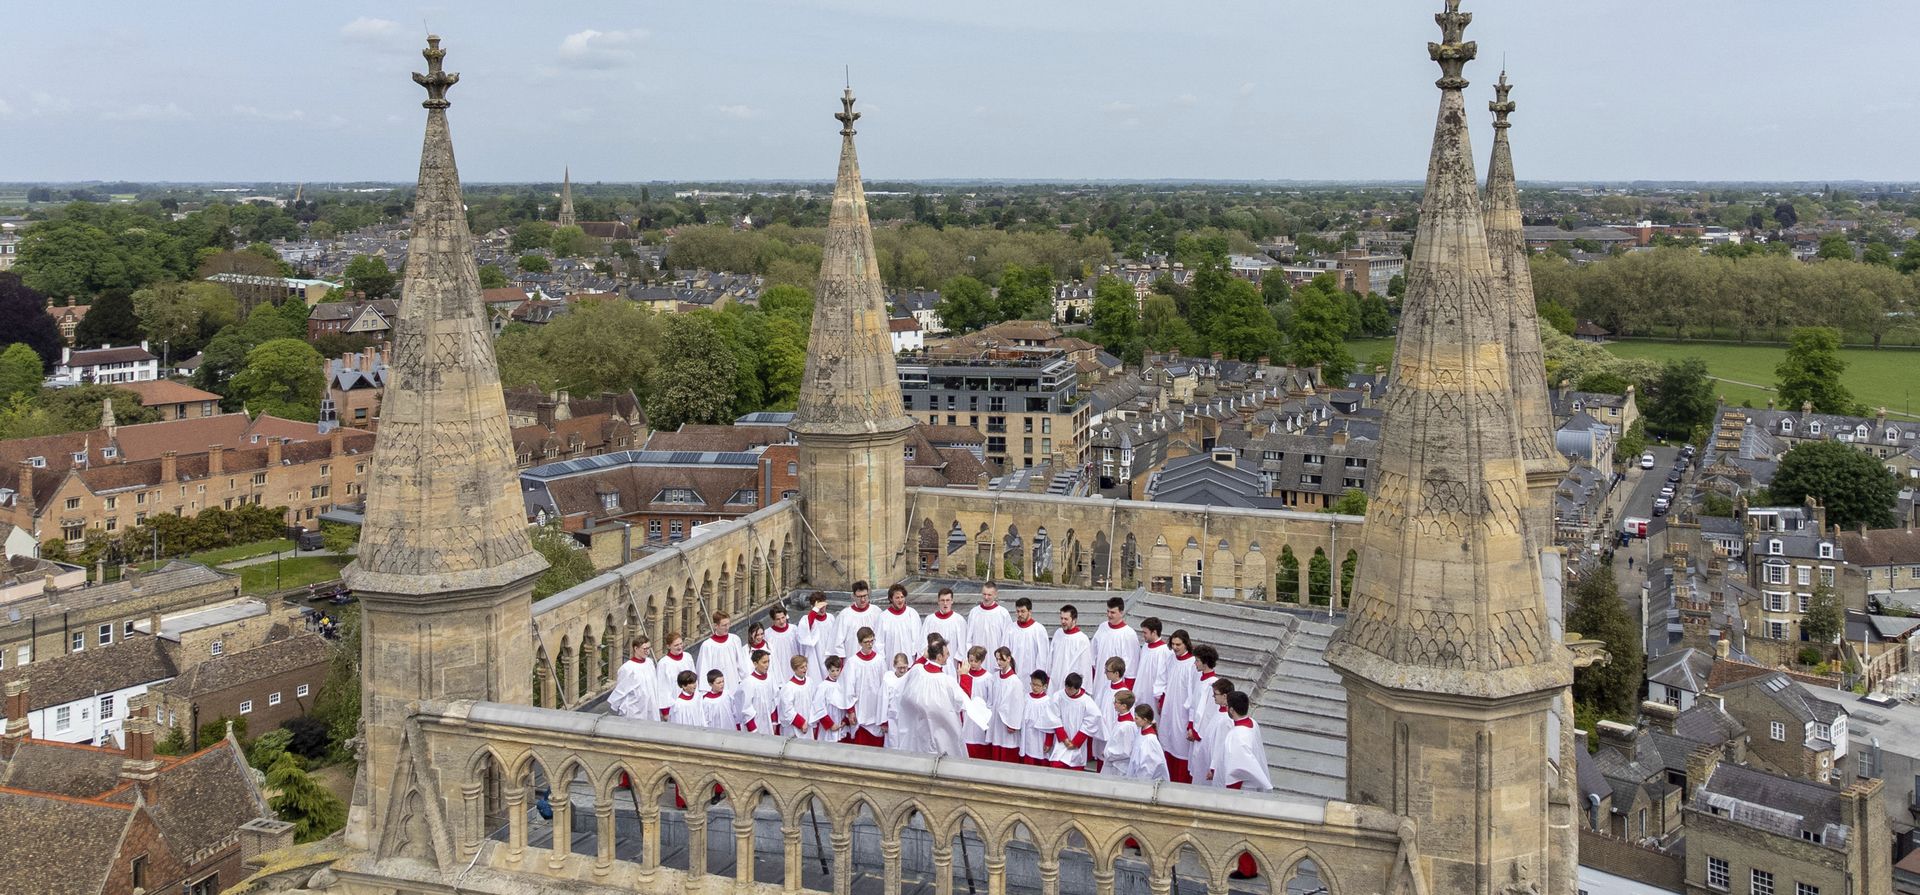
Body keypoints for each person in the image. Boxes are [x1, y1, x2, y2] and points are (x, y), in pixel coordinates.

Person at [1218, 691, 1271, 881]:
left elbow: (1239, 767)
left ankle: (1247, 868)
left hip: (1242, 789)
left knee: (1242, 830)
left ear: (1231, 710)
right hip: (1248, 787)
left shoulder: (1237, 735)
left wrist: (1230, 792)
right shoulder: (1252, 724)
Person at [900, 639, 970, 756]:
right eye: (946, 653)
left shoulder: (918, 671)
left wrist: (924, 656)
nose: (949, 656)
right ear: (939, 657)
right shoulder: (946, 681)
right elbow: (963, 701)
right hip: (941, 737)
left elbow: (915, 667)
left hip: (920, 733)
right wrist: (965, 676)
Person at [1158, 631, 1202, 783]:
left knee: (1181, 747)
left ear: (1186, 644)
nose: (1175, 648)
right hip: (1169, 709)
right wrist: (1162, 698)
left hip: (1182, 712)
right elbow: (1164, 680)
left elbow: (1193, 694)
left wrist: (1191, 721)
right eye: (1173, 644)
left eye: (1178, 644)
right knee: (1168, 742)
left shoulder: (1191, 665)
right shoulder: (1171, 659)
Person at [844, 627, 890, 747]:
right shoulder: (852, 662)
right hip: (861, 709)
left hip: (876, 709)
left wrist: (885, 712)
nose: (870, 644)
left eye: (871, 641)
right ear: (859, 643)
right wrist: (851, 711)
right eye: (866, 642)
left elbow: (885, 686)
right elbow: (849, 688)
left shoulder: (880, 660)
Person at [1090, 597, 1140, 694]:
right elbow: (1093, 655)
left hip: (1118, 688)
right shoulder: (1102, 627)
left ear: (1121, 612)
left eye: (1113, 612)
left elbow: (1132, 667)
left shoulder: (1129, 634)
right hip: (1099, 682)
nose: (1109, 615)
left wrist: (1127, 692)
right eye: (1108, 611)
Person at [1050, 672, 1100, 770]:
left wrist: (1077, 741)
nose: (1068, 690)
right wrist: (1064, 738)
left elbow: (1093, 719)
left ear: (1078, 688)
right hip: (1062, 741)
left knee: (1075, 769)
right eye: (1067, 687)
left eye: (1071, 689)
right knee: (1056, 767)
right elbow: (1054, 717)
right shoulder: (1058, 696)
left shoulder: (1086, 701)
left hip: (1077, 744)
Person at [1192, 677, 1234, 787]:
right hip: (1206, 760)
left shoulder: (1226, 720)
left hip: (1212, 767)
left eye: (1215, 694)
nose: (1213, 696)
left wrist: (1213, 768)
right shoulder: (1219, 712)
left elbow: (1220, 745)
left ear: (1225, 696)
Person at [1093, 656, 1134, 765]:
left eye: (1108, 671)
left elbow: (1128, 716)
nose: (1105, 673)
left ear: (1117, 673)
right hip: (1102, 731)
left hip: (1114, 735)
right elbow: (1097, 705)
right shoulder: (1106, 686)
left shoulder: (1125, 693)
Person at [610, 635, 663, 719]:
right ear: (636, 648)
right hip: (635, 708)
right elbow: (621, 689)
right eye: (644, 649)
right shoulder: (627, 668)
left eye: (649, 648)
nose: (647, 652)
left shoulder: (649, 662)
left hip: (651, 705)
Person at [959, 645, 996, 759]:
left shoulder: (988, 677)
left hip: (981, 716)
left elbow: (990, 700)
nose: (973, 664)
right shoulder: (965, 674)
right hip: (967, 717)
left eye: (976, 661)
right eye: (971, 661)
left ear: (982, 661)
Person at [989, 647, 1025, 763]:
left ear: (1009, 659)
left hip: (1007, 723)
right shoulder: (995, 677)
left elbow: (1017, 704)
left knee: (1007, 749)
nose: (999, 662)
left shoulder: (1015, 681)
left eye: (1002, 659)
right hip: (996, 721)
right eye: (997, 659)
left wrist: (1013, 724)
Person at [1018, 670, 1060, 765]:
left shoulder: (1047, 702)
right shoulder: (1026, 698)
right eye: (1033, 684)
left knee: (1040, 760)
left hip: (1040, 738)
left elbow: (1050, 723)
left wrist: (1048, 742)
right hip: (1027, 735)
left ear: (1045, 686)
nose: (1035, 687)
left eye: (1038, 685)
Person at [1048, 606, 1093, 695]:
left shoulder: (1082, 639)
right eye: (1061, 618)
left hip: (1071, 685)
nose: (1063, 622)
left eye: (1066, 619)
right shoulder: (1058, 633)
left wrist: (1081, 688)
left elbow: (1085, 666)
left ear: (1074, 620)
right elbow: (1051, 658)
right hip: (1055, 681)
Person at [923, 587, 968, 674]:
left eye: (948, 600)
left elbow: (963, 645)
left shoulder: (959, 620)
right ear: (938, 601)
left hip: (952, 664)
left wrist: (959, 661)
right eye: (942, 600)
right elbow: (923, 643)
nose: (945, 603)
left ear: (952, 601)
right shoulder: (930, 620)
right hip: (934, 664)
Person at [1005, 597, 1050, 682]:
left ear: (1030, 612)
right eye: (1018, 611)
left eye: (1023, 611)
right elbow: (1005, 651)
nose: (1020, 614)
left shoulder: (1039, 630)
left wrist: (1039, 677)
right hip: (1013, 675)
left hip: (1031, 675)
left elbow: (1042, 656)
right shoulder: (1010, 629)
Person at [697, 610, 747, 687]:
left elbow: (741, 663)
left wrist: (746, 681)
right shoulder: (707, 646)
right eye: (724, 625)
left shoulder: (735, 640)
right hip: (715, 688)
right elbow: (703, 669)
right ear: (715, 626)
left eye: (728, 624)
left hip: (733, 683)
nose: (727, 628)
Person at [876, 583, 924, 662]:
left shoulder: (912, 614)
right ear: (891, 599)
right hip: (891, 662)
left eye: (902, 597)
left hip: (910, 660)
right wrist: (882, 661)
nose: (900, 600)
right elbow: (879, 643)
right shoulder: (883, 617)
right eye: (897, 598)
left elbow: (919, 638)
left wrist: (918, 658)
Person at [835, 582, 882, 659]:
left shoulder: (877, 612)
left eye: (865, 596)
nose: (863, 600)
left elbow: (881, 638)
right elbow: (838, 642)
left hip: (873, 661)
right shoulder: (845, 615)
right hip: (852, 660)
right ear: (853, 596)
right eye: (859, 596)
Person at [966, 582, 1013, 661]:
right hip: (977, 660)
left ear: (995, 595)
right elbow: (968, 638)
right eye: (984, 594)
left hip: (996, 659)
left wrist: (1002, 658)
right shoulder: (974, 612)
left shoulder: (1003, 613)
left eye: (989, 595)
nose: (986, 597)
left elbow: (1007, 638)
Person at [1133, 617, 1171, 712]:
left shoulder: (1165, 651)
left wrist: (1160, 698)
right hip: (1140, 691)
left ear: (1154, 632)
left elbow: (1164, 676)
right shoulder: (1145, 647)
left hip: (1153, 696)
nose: (1143, 635)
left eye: (1145, 633)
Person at [736, 649, 777, 735]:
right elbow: (746, 709)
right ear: (755, 664)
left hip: (768, 724)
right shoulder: (749, 683)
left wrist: (774, 722)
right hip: (755, 727)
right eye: (764, 662)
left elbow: (774, 699)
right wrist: (753, 730)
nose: (767, 665)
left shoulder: (770, 678)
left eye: (768, 662)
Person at [814, 656, 854, 742]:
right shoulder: (823, 686)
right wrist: (830, 724)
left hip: (841, 725)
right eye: (832, 671)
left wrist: (845, 720)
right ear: (828, 670)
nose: (835, 673)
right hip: (829, 725)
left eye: (837, 670)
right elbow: (818, 707)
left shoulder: (843, 684)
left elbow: (848, 702)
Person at [1101, 690, 1139, 776]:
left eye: (1116, 702)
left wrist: (1107, 753)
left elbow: (1126, 751)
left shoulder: (1127, 726)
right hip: (1113, 764)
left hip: (1120, 768)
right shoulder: (1120, 720)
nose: (1114, 703)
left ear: (1124, 706)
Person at [881, 652, 914, 750]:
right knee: (893, 744)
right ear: (894, 666)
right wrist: (884, 722)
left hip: (907, 720)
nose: (903, 670)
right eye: (900, 668)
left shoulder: (910, 678)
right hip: (892, 720)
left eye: (905, 667)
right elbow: (884, 701)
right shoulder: (888, 679)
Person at [1128, 703, 1168, 782]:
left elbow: (1148, 768)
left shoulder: (1150, 740)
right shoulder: (1141, 731)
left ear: (1145, 720)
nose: (1134, 720)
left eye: (1136, 718)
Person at [777, 656, 814, 737]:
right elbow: (787, 710)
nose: (805, 669)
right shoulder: (788, 687)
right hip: (795, 727)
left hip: (808, 724)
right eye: (802, 667)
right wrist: (801, 723)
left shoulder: (809, 682)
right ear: (794, 669)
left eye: (806, 666)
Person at [763, 605, 801, 685]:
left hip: (793, 667)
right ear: (773, 620)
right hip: (778, 670)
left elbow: (800, 648)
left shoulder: (793, 629)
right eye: (778, 619)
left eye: (783, 617)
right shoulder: (767, 634)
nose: (781, 621)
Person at [797, 591, 834, 671]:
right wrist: (815, 610)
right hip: (815, 656)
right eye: (819, 607)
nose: (822, 609)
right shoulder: (807, 619)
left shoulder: (831, 618)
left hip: (829, 654)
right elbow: (805, 632)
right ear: (812, 607)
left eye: (823, 606)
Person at [656, 632, 697, 701]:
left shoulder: (688, 657)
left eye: (681, 644)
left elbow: (694, 678)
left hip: (690, 699)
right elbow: (661, 687)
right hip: (673, 702)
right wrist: (665, 708)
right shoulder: (663, 663)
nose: (680, 647)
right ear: (668, 646)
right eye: (676, 645)